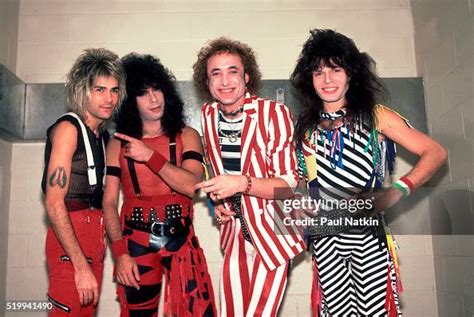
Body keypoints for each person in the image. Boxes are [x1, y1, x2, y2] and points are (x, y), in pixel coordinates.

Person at [291, 29, 447, 316]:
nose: (327, 80)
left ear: (350, 74)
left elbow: (436, 152)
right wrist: (301, 198)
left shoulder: (377, 116)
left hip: (368, 237)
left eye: (335, 70)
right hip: (325, 240)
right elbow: (304, 178)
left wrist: (399, 189)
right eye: (318, 72)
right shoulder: (306, 127)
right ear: (309, 80)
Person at [192, 37, 305, 317]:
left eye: (232, 71)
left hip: (274, 232)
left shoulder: (274, 114)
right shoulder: (208, 114)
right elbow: (216, 166)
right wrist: (216, 200)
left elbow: (288, 185)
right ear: (207, 83)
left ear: (247, 76)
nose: (225, 80)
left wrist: (242, 183)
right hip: (235, 232)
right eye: (215, 73)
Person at [102, 53, 216, 317]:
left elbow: (190, 186)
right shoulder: (118, 143)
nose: (154, 99)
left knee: (198, 311)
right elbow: (108, 202)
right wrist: (120, 253)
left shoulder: (188, 135)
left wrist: (149, 156)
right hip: (135, 243)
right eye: (143, 93)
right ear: (130, 101)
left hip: (181, 240)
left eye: (157, 89)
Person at [41, 48, 126, 316]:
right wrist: (79, 265)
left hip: (95, 237)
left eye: (114, 90)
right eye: (100, 89)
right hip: (71, 239)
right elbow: (54, 203)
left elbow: (108, 203)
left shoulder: (104, 137)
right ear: (82, 90)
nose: (109, 98)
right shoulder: (68, 128)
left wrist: (120, 251)